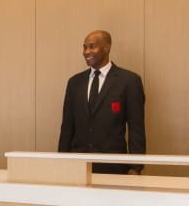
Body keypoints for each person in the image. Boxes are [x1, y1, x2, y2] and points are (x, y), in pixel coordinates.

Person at [57, 30, 146, 174]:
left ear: (107, 48)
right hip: (77, 168)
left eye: (92, 46)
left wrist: (135, 167)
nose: (86, 52)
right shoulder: (74, 83)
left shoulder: (129, 81)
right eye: (84, 47)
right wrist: (61, 162)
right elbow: (67, 128)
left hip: (113, 168)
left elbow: (136, 129)